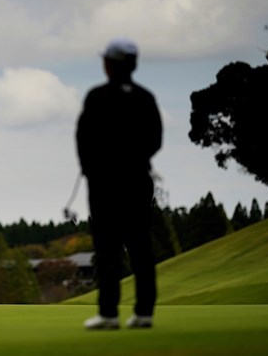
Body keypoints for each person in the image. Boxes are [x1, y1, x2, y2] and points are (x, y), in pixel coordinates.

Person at [75, 38, 163, 330]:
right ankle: (144, 312)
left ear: (110, 65)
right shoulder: (145, 97)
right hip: (138, 181)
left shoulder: (98, 96)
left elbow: (83, 138)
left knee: (108, 248)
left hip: (105, 185)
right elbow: (155, 140)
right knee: (140, 246)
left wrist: (91, 169)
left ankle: (109, 314)